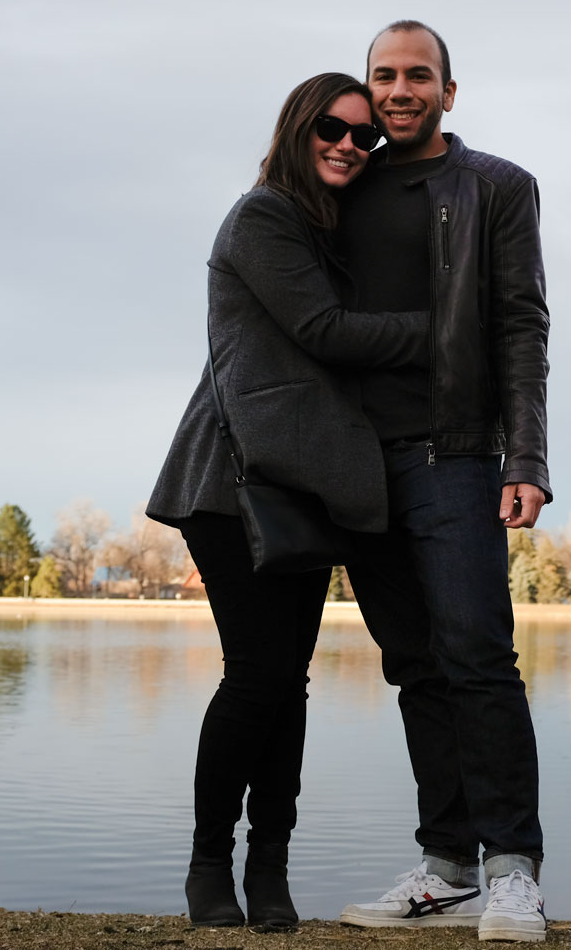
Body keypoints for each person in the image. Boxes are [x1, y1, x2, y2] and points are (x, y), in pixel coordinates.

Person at [147, 72, 430, 930]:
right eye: (332, 131)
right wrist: (445, 330)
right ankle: (207, 867)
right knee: (259, 675)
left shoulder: (326, 230)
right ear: (298, 131)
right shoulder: (263, 217)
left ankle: (268, 866)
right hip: (230, 485)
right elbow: (322, 333)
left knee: (287, 681)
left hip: (300, 486)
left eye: (364, 137)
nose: (350, 145)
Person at [333, 21, 551, 942]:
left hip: (453, 454)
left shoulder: (496, 186)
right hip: (355, 465)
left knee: (476, 657)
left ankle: (513, 873)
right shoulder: (336, 183)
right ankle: (447, 866)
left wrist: (527, 459)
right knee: (414, 665)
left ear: (448, 92)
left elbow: (520, 327)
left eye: (418, 75)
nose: (398, 89)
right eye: (384, 74)